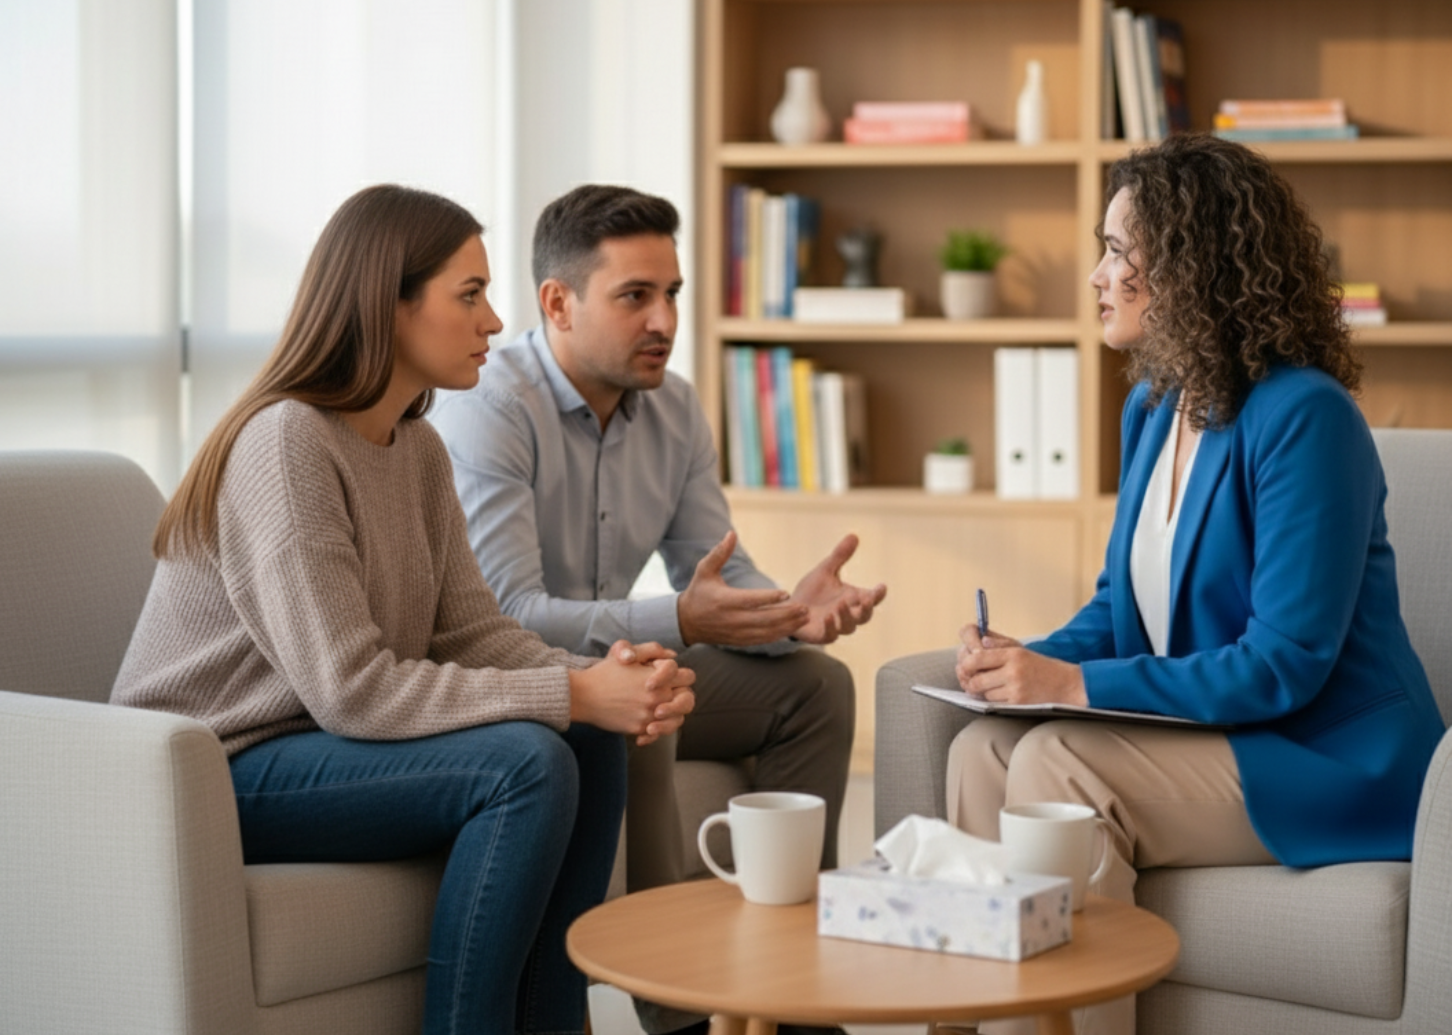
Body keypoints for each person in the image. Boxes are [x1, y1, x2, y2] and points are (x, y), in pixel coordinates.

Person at [110, 184, 695, 1035]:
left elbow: (471, 632)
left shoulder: (416, 447)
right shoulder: (287, 443)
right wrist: (570, 694)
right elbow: (353, 689)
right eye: (470, 296)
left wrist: (603, 680)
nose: (496, 321)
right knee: (527, 761)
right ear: (388, 307)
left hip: (313, 738)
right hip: (216, 766)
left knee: (592, 737)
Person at [945, 134, 1445, 1035]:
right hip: (1224, 734)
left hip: (1324, 753)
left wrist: (1068, 692)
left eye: (1115, 250)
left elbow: (1283, 663)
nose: (1097, 274)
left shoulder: (1306, 416)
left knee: (1059, 760)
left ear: (1186, 265)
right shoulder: (1154, 405)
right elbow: (1118, 609)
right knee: (979, 747)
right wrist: (1023, 664)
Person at [430, 183, 886, 1035]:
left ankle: (792, 993)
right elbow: (508, 620)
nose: (665, 322)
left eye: (672, 294)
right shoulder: (490, 407)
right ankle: (676, 1011)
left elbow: (713, 569)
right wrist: (677, 623)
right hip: (519, 684)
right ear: (557, 304)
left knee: (815, 687)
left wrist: (787, 612)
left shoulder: (673, 408)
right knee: (646, 685)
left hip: (624, 662)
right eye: (634, 296)